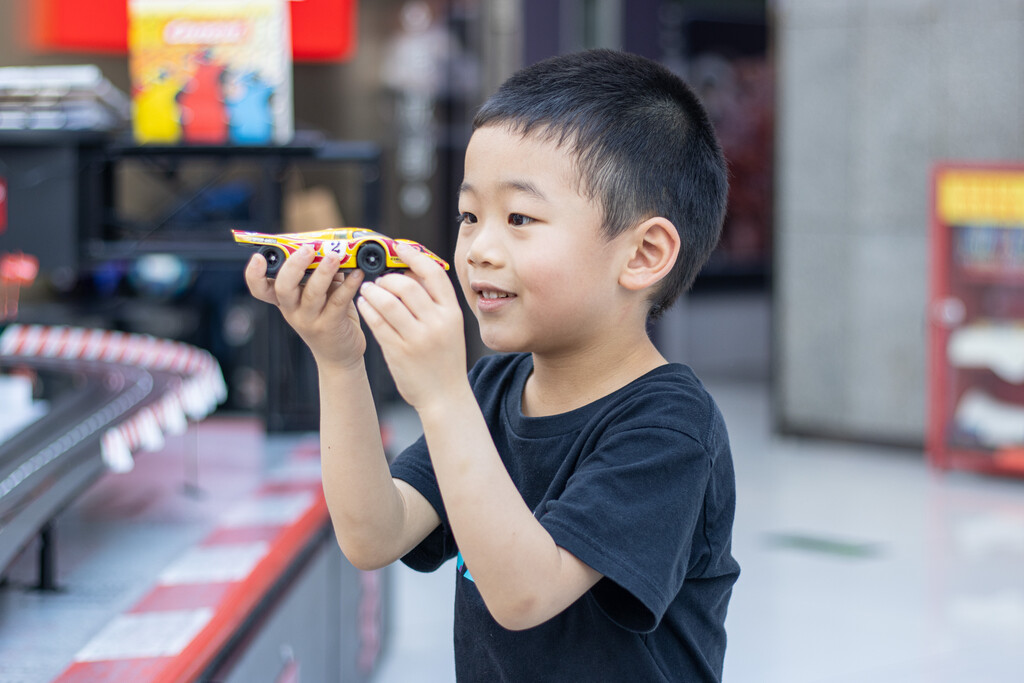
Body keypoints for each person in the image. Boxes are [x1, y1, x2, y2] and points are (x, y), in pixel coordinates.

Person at [245, 48, 739, 682]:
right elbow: (373, 534)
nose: (478, 249)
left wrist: (443, 395)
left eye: (520, 218)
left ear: (643, 254)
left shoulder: (669, 429)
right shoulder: (492, 387)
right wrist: (339, 361)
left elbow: (526, 594)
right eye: (469, 216)